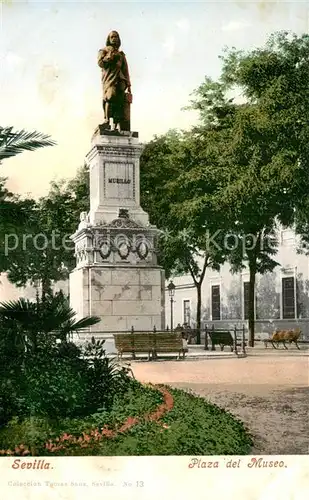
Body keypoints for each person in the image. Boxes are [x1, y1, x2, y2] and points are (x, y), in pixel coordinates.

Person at [98, 31, 131, 131]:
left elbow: (126, 70)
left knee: (119, 101)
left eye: (116, 37)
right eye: (112, 37)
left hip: (120, 80)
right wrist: (108, 57)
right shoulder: (103, 50)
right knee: (110, 97)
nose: (114, 38)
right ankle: (107, 120)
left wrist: (129, 84)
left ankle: (116, 125)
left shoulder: (121, 54)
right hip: (109, 79)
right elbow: (100, 63)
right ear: (108, 39)